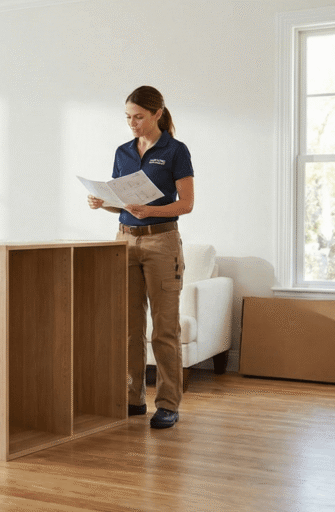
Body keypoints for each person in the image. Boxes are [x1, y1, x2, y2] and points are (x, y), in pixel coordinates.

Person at [87, 85, 194, 429]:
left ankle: (167, 404)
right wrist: (102, 201)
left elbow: (186, 204)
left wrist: (151, 209)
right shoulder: (123, 152)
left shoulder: (176, 151)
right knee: (130, 328)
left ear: (157, 114)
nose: (132, 123)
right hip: (125, 241)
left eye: (139, 117)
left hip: (161, 242)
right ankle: (133, 399)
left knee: (164, 329)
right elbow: (122, 202)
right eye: (128, 118)